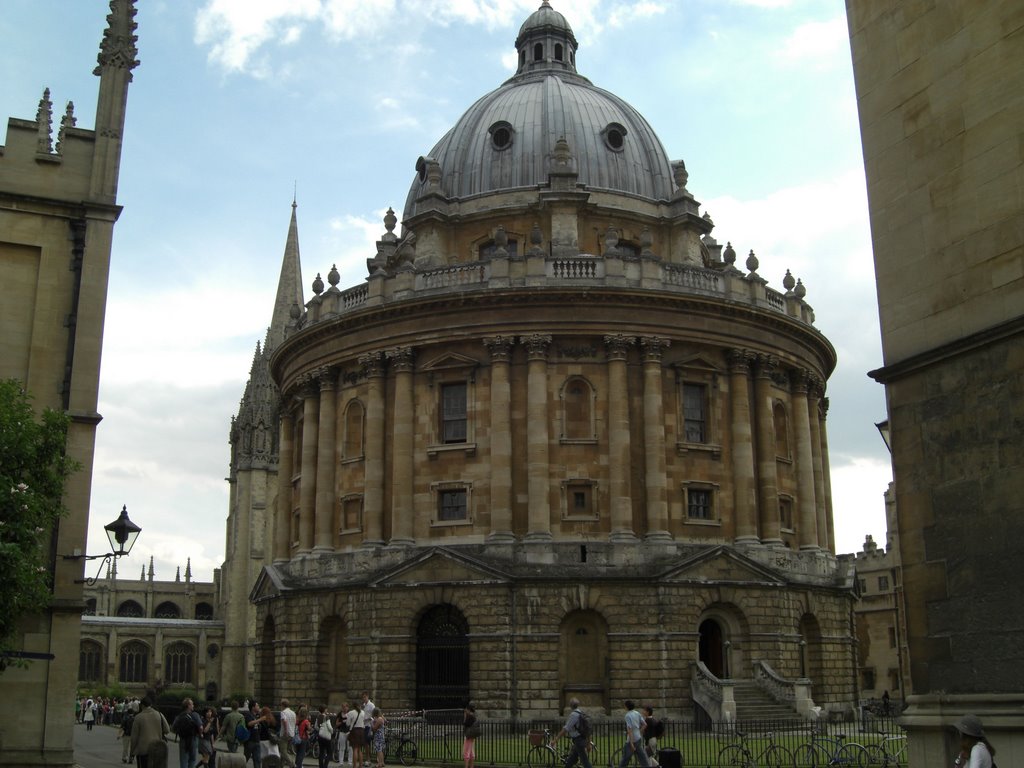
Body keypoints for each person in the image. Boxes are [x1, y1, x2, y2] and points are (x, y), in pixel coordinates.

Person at [551, 698, 592, 768]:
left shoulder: (574, 715)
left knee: (585, 762)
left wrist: (556, 739)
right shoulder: (581, 713)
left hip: (578, 741)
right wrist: (588, 743)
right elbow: (587, 730)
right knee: (571, 760)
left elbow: (566, 728)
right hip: (581, 740)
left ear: (570, 705)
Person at [131, 696, 171, 768]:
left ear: (142, 705)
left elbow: (134, 737)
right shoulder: (159, 715)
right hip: (157, 749)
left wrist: (132, 752)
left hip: (143, 751)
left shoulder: (138, 717)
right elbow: (167, 730)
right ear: (151, 705)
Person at [618, 701, 650, 768]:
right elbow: (645, 725)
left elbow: (629, 730)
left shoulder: (627, 716)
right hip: (638, 737)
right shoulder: (637, 713)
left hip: (631, 739)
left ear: (627, 707)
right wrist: (639, 731)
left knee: (625, 758)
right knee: (642, 756)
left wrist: (631, 743)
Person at [173, 697, 204, 768]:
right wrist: (201, 734)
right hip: (193, 739)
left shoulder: (179, 716)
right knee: (192, 759)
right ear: (188, 706)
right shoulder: (195, 715)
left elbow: (174, 728)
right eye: (192, 704)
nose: (193, 705)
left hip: (183, 740)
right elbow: (201, 727)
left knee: (183, 760)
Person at [347, 701, 366, 768]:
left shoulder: (351, 713)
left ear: (353, 706)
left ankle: (355, 765)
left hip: (354, 731)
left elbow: (348, 724)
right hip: (361, 731)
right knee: (360, 749)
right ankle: (360, 765)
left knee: (355, 749)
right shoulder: (363, 712)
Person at [279, 699, 297, 768]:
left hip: (285, 734)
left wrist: (286, 731)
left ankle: (292, 765)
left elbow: (284, 721)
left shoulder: (283, 712)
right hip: (292, 734)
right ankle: (280, 765)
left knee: (283, 752)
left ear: (283, 705)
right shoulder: (293, 713)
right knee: (285, 751)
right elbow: (294, 723)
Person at [360, 693, 375, 766]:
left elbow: (374, 715)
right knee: (364, 743)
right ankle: (366, 759)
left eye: (365, 697)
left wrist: (369, 718)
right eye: (363, 697)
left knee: (367, 743)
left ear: (367, 697)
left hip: (368, 725)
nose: (364, 699)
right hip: (363, 725)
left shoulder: (371, 705)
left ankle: (368, 759)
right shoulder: (363, 705)